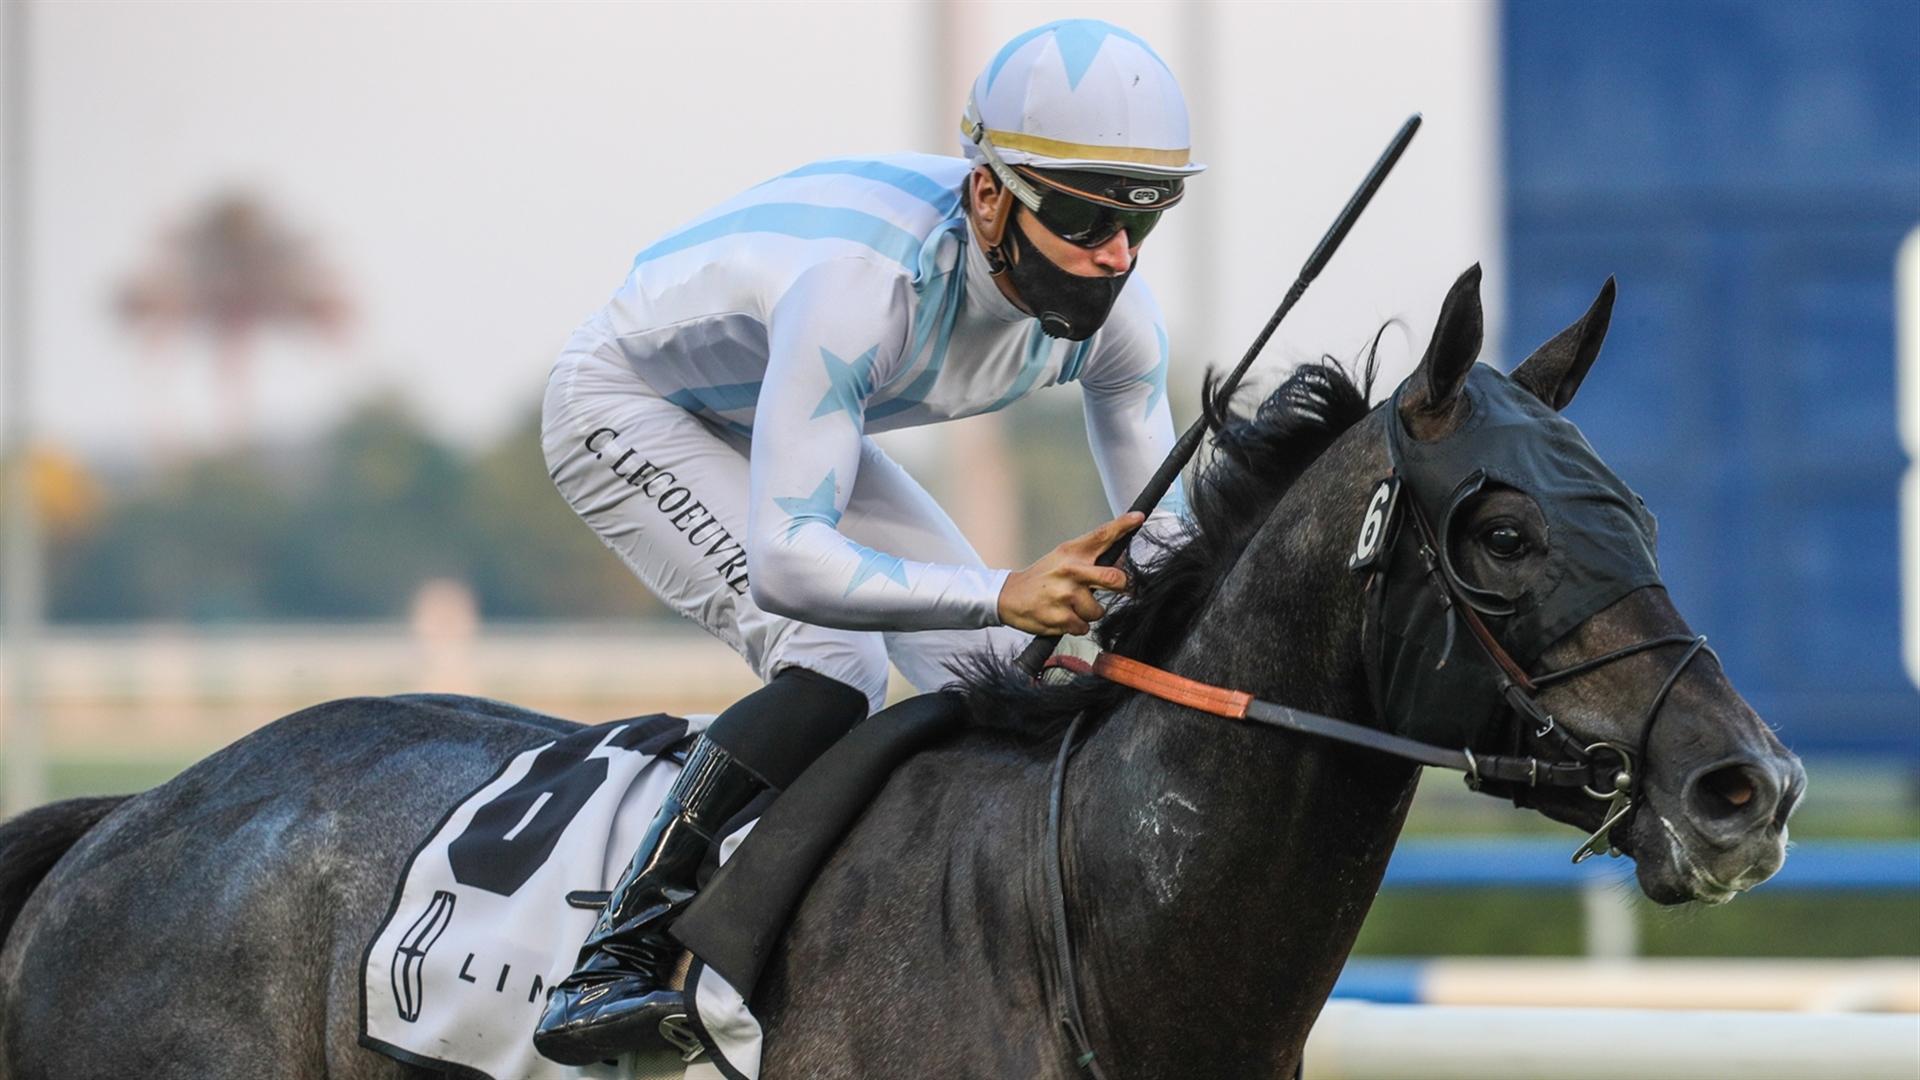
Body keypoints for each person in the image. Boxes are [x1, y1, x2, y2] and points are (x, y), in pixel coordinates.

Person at [532, 18, 1202, 1065]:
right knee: (834, 659)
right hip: (630, 402)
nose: (1115, 255)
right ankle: (616, 955)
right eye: (1083, 217)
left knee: (982, 672)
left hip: (769, 409)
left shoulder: (1124, 321)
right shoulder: (864, 289)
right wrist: (1006, 588)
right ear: (990, 195)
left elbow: (1166, 544)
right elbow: (790, 563)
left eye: (1144, 218)